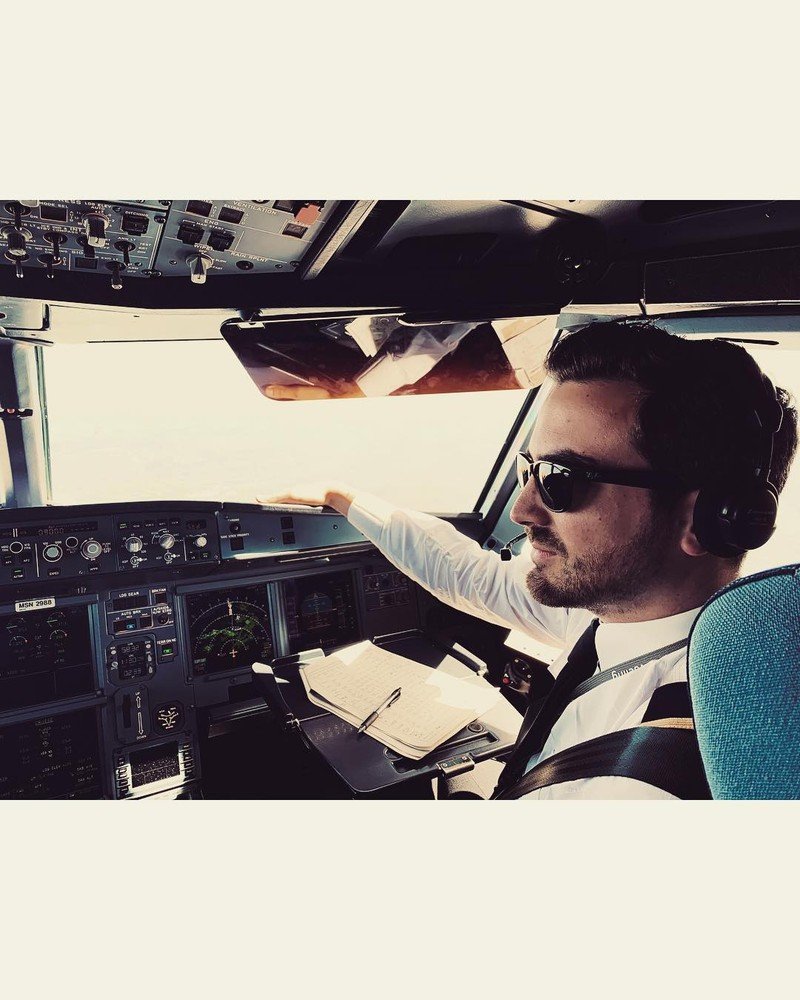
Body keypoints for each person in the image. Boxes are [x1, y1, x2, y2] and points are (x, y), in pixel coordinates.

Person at [258, 321, 798, 799]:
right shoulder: (618, 615)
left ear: (706, 519)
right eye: (528, 469)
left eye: (563, 481)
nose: (521, 509)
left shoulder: (634, 786)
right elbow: (470, 576)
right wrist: (344, 497)